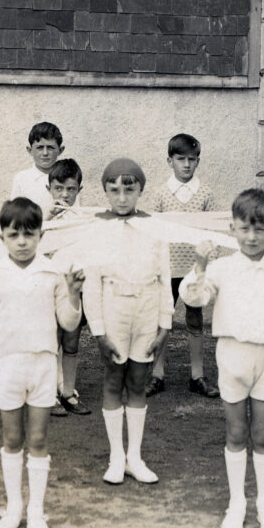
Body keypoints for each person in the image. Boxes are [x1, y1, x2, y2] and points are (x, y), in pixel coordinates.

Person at [181, 189, 264, 528]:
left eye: (259, 230)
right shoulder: (222, 268)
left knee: (263, 434)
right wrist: (201, 265)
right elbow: (194, 297)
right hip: (233, 357)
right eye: (244, 229)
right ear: (232, 228)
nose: (251, 238)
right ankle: (237, 502)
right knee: (236, 432)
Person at [0, 198, 84, 528]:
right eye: (13, 235)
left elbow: (67, 322)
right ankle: (14, 507)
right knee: (12, 438)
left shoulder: (52, 272)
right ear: (2, 238)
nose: (22, 242)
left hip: (42, 367)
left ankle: (36, 511)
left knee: (37, 439)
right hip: (8, 366)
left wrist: (74, 295)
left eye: (29, 234)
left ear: (40, 235)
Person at [82, 158, 172, 485]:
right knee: (112, 379)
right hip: (113, 307)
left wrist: (165, 325)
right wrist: (98, 332)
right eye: (114, 190)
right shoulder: (97, 228)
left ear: (140, 191)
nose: (122, 197)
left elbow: (164, 277)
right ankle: (115, 456)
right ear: (105, 191)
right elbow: (91, 283)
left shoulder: (154, 227)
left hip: (147, 308)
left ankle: (135, 455)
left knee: (138, 381)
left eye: (129, 190)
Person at [147, 133, 219, 399]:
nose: (187, 165)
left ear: (198, 161)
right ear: (170, 161)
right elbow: (152, 232)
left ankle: (197, 375)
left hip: (193, 268)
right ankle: (157, 374)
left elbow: (212, 231)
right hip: (167, 267)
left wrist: (206, 263)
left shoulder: (205, 193)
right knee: (162, 318)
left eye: (192, 159)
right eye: (181, 159)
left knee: (195, 317)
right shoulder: (161, 194)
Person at [44, 159, 91, 417]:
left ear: (79, 190)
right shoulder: (42, 219)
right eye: (59, 188)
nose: (64, 194)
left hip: (74, 286)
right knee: (52, 339)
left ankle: (68, 391)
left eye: (70, 189)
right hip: (50, 288)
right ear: (49, 188)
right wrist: (46, 219)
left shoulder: (84, 219)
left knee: (71, 338)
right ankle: (49, 392)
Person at [11, 121, 65, 214]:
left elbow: (76, 213)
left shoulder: (69, 177)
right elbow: (15, 215)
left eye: (50, 147)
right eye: (39, 147)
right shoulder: (21, 179)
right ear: (30, 150)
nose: (45, 153)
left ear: (60, 150)